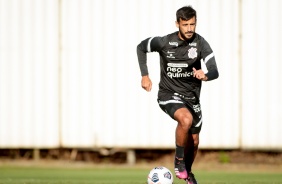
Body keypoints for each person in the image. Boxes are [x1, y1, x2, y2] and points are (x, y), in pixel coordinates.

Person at [136, 5, 219, 184]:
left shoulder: (200, 44)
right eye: (185, 25)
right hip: (168, 94)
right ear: (177, 24)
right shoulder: (164, 42)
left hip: (192, 99)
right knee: (185, 119)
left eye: (192, 24)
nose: (189, 29)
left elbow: (215, 70)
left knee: (195, 141)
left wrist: (206, 75)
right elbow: (141, 47)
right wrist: (145, 75)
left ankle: (187, 172)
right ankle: (178, 161)